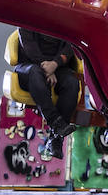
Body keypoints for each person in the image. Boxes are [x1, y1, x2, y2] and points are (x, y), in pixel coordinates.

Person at [14, 30, 78, 160]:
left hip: (57, 67)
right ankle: (55, 122)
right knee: (35, 73)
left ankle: (56, 139)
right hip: (29, 66)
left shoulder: (66, 21)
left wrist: (55, 64)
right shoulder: (27, 16)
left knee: (72, 83)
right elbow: (29, 48)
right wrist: (47, 70)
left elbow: (71, 46)